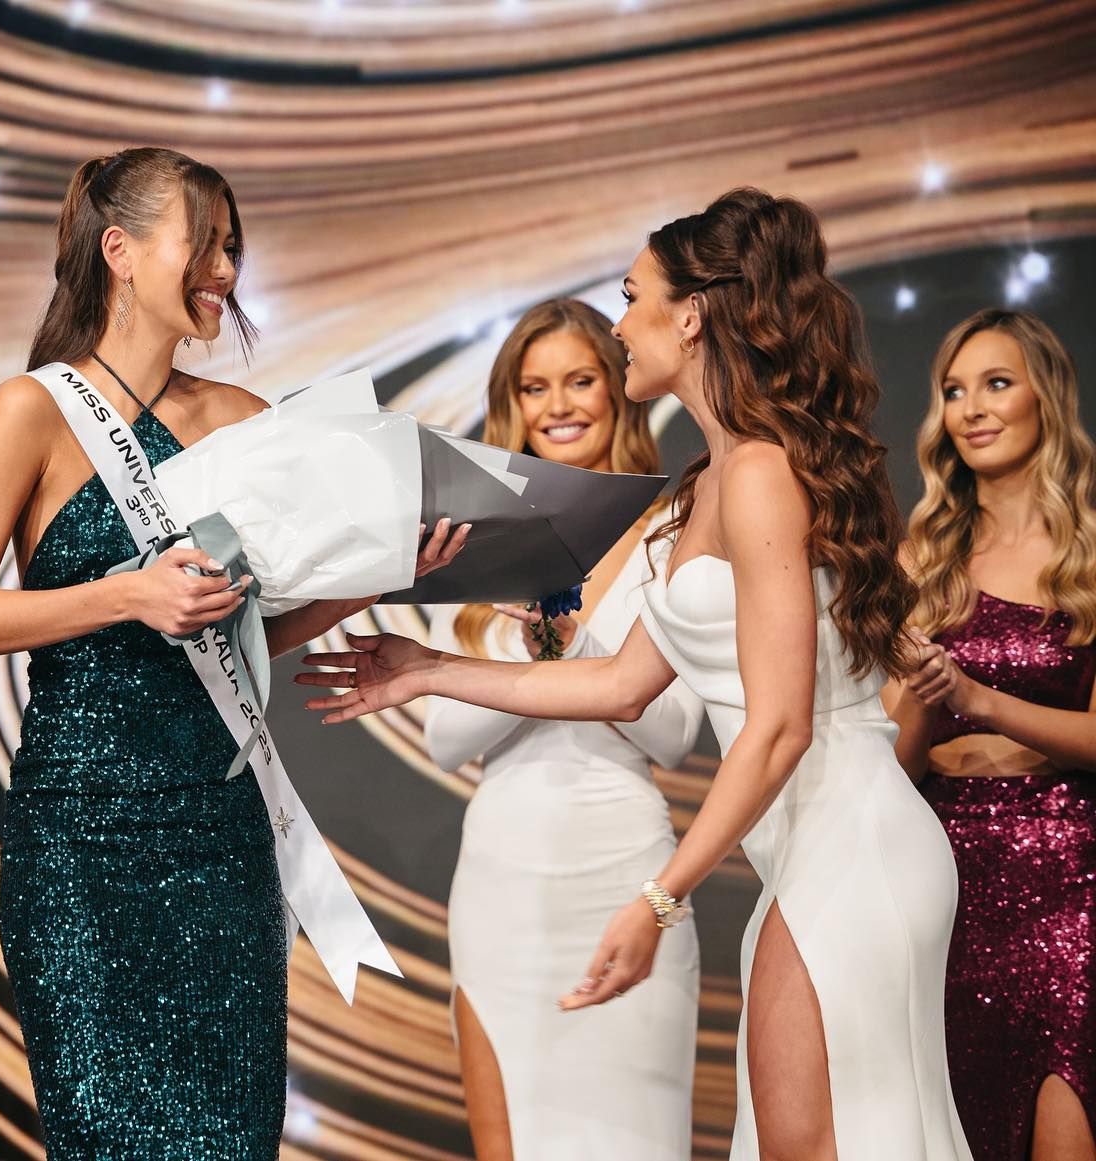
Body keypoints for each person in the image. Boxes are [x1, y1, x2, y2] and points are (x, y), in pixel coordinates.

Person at [299, 188, 975, 1161]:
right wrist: (427, 667)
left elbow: (781, 726)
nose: (619, 325)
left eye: (630, 297)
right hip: (806, 851)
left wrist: (658, 897)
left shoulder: (760, 472)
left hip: (855, 840)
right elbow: (621, 683)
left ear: (690, 316)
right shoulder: (714, 480)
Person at [0, 146, 465, 1159]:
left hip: (220, 839)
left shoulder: (244, 423)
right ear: (119, 252)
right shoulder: (32, 410)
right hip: (81, 843)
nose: (224, 269)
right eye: (205, 243)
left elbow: (248, 630)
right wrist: (128, 593)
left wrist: (384, 574)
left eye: (233, 249)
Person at [424, 298, 703, 1159]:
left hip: (627, 882)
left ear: (618, 387)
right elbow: (445, 740)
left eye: (580, 379)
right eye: (535, 387)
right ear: (513, 404)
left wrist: (576, 640)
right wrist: (524, 644)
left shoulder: (674, 534)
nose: (559, 405)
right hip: (502, 894)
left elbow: (672, 735)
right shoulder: (472, 538)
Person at [884, 309, 1096, 1161]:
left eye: (996, 384)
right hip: (942, 875)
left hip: (1067, 874)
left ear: (1045, 396)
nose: (971, 408)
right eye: (953, 391)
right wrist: (923, 700)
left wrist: (981, 699)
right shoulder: (922, 560)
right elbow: (893, 767)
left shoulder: (1089, 553)